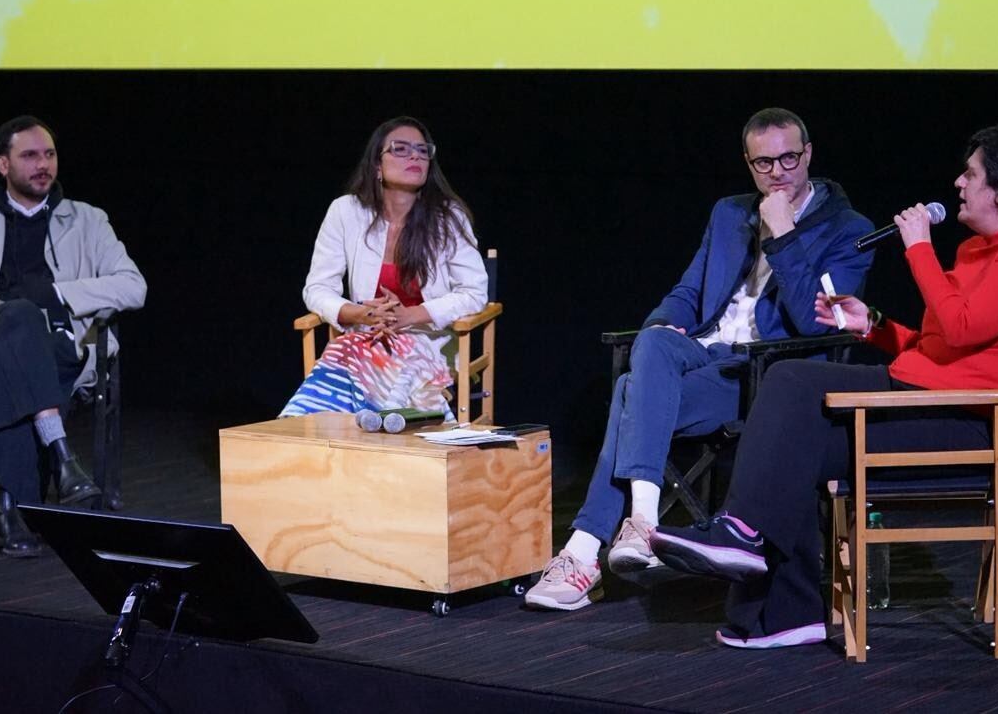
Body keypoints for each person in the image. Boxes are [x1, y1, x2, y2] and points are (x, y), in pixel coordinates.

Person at [649, 123, 998, 649]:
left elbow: (962, 327)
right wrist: (870, 325)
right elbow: (942, 347)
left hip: (986, 427)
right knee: (794, 440)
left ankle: (741, 532)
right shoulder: (979, 252)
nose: (959, 184)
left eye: (971, 174)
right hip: (941, 405)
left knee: (790, 378)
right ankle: (786, 612)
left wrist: (918, 248)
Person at [526, 108, 874, 610]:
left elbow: (813, 323)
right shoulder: (729, 213)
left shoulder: (848, 229)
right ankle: (643, 523)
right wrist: (662, 322)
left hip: (763, 374)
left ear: (809, 155)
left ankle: (583, 554)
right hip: (703, 351)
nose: (778, 172)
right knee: (652, 342)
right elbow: (689, 292)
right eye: (764, 163)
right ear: (748, 164)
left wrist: (784, 238)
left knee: (628, 394)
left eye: (789, 158)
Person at [0, 116, 147, 558]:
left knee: (14, 358)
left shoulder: (89, 221)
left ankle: (5, 504)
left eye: (50, 154)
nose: (44, 165)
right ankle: (60, 455)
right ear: (3, 164)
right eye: (30, 155)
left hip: (60, 348)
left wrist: (60, 292)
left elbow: (134, 286)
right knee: (17, 319)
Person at [280, 116, 488, 418]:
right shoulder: (345, 211)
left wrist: (410, 316)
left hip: (430, 344)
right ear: (377, 165)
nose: (415, 155)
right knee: (349, 351)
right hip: (365, 337)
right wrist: (359, 313)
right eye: (400, 149)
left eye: (421, 150)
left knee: (362, 361)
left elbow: (474, 293)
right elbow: (318, 289)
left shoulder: (449, 218)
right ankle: (305, 438)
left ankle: (373, 444)